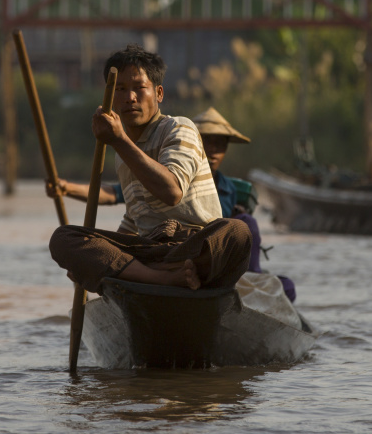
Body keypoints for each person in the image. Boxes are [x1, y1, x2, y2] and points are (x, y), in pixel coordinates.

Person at [48, 44, 252, 295]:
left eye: (138, 88)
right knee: (64, 239)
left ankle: (158, 275)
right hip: (149, 254)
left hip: (194, 248)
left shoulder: (179, 129)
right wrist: (93, 257)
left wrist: (119, 140)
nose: (130, 98)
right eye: (120, 89)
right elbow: (134, 219)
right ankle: (162, 279)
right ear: (109, 98)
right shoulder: (123, 153)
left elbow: (172, 191)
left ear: (159, 93)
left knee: (238, 231)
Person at [192, 107, 296, 303]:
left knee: (288, 287)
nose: (213, 149)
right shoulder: (180, 180)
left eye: (220, 143)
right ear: (196, 145)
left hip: (230, 264)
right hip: (198, 258)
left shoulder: (231, 189)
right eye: (208, 142)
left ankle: (252, 280)